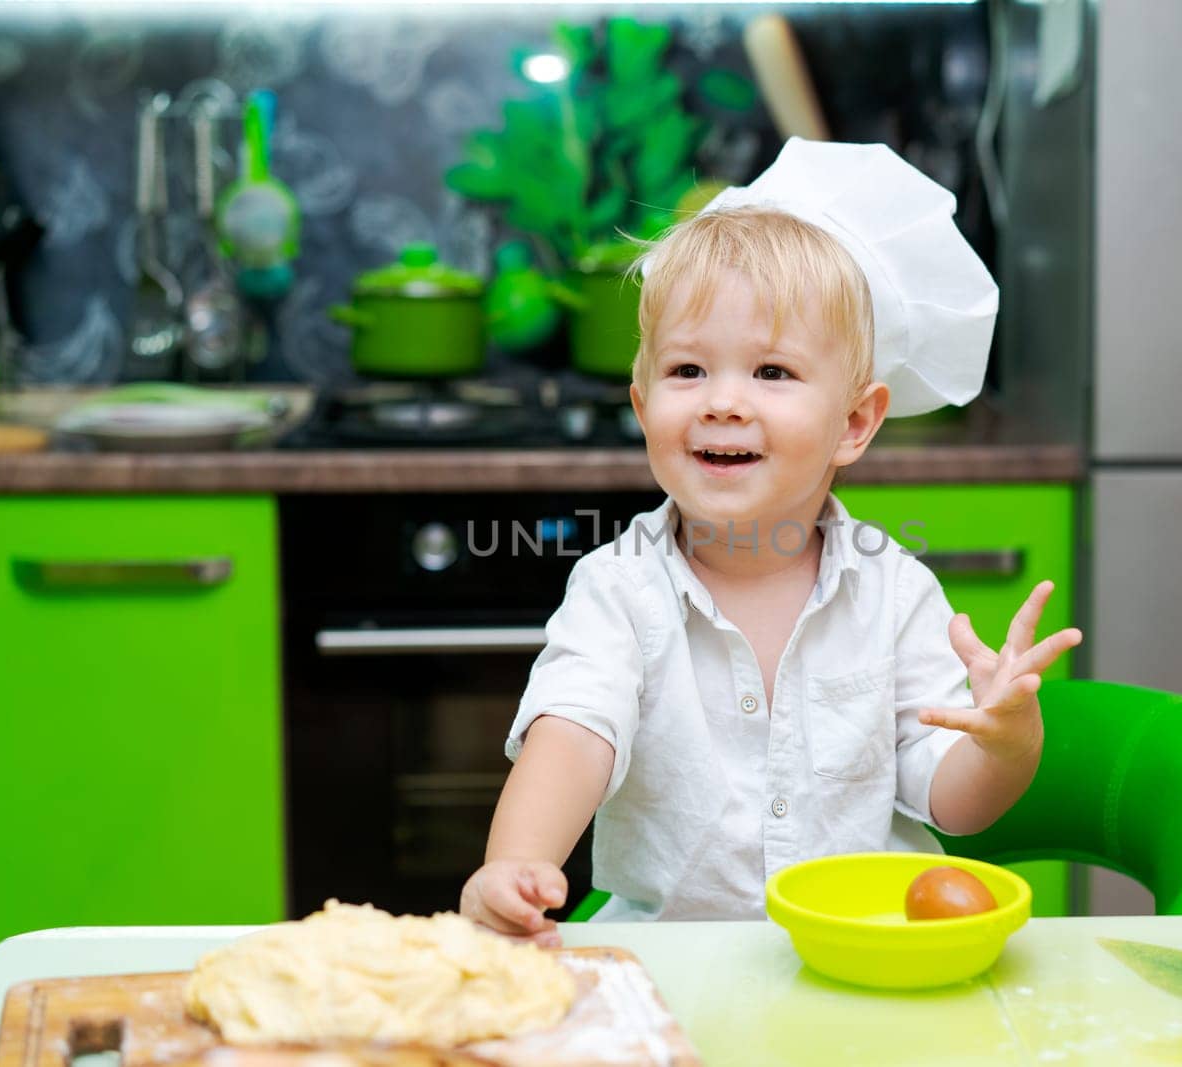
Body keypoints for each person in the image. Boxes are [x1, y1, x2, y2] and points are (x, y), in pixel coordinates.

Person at [460, 139, 1081, 946]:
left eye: (772, 372)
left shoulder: (894, 591)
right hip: (677, 965)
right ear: (643, 407)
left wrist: (1005, 742)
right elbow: (575, 734)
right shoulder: (617, 589)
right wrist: (512, 863)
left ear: (855, 422)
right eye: (687, 370)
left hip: (861, 958)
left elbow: (951, 803)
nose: (723, 401)